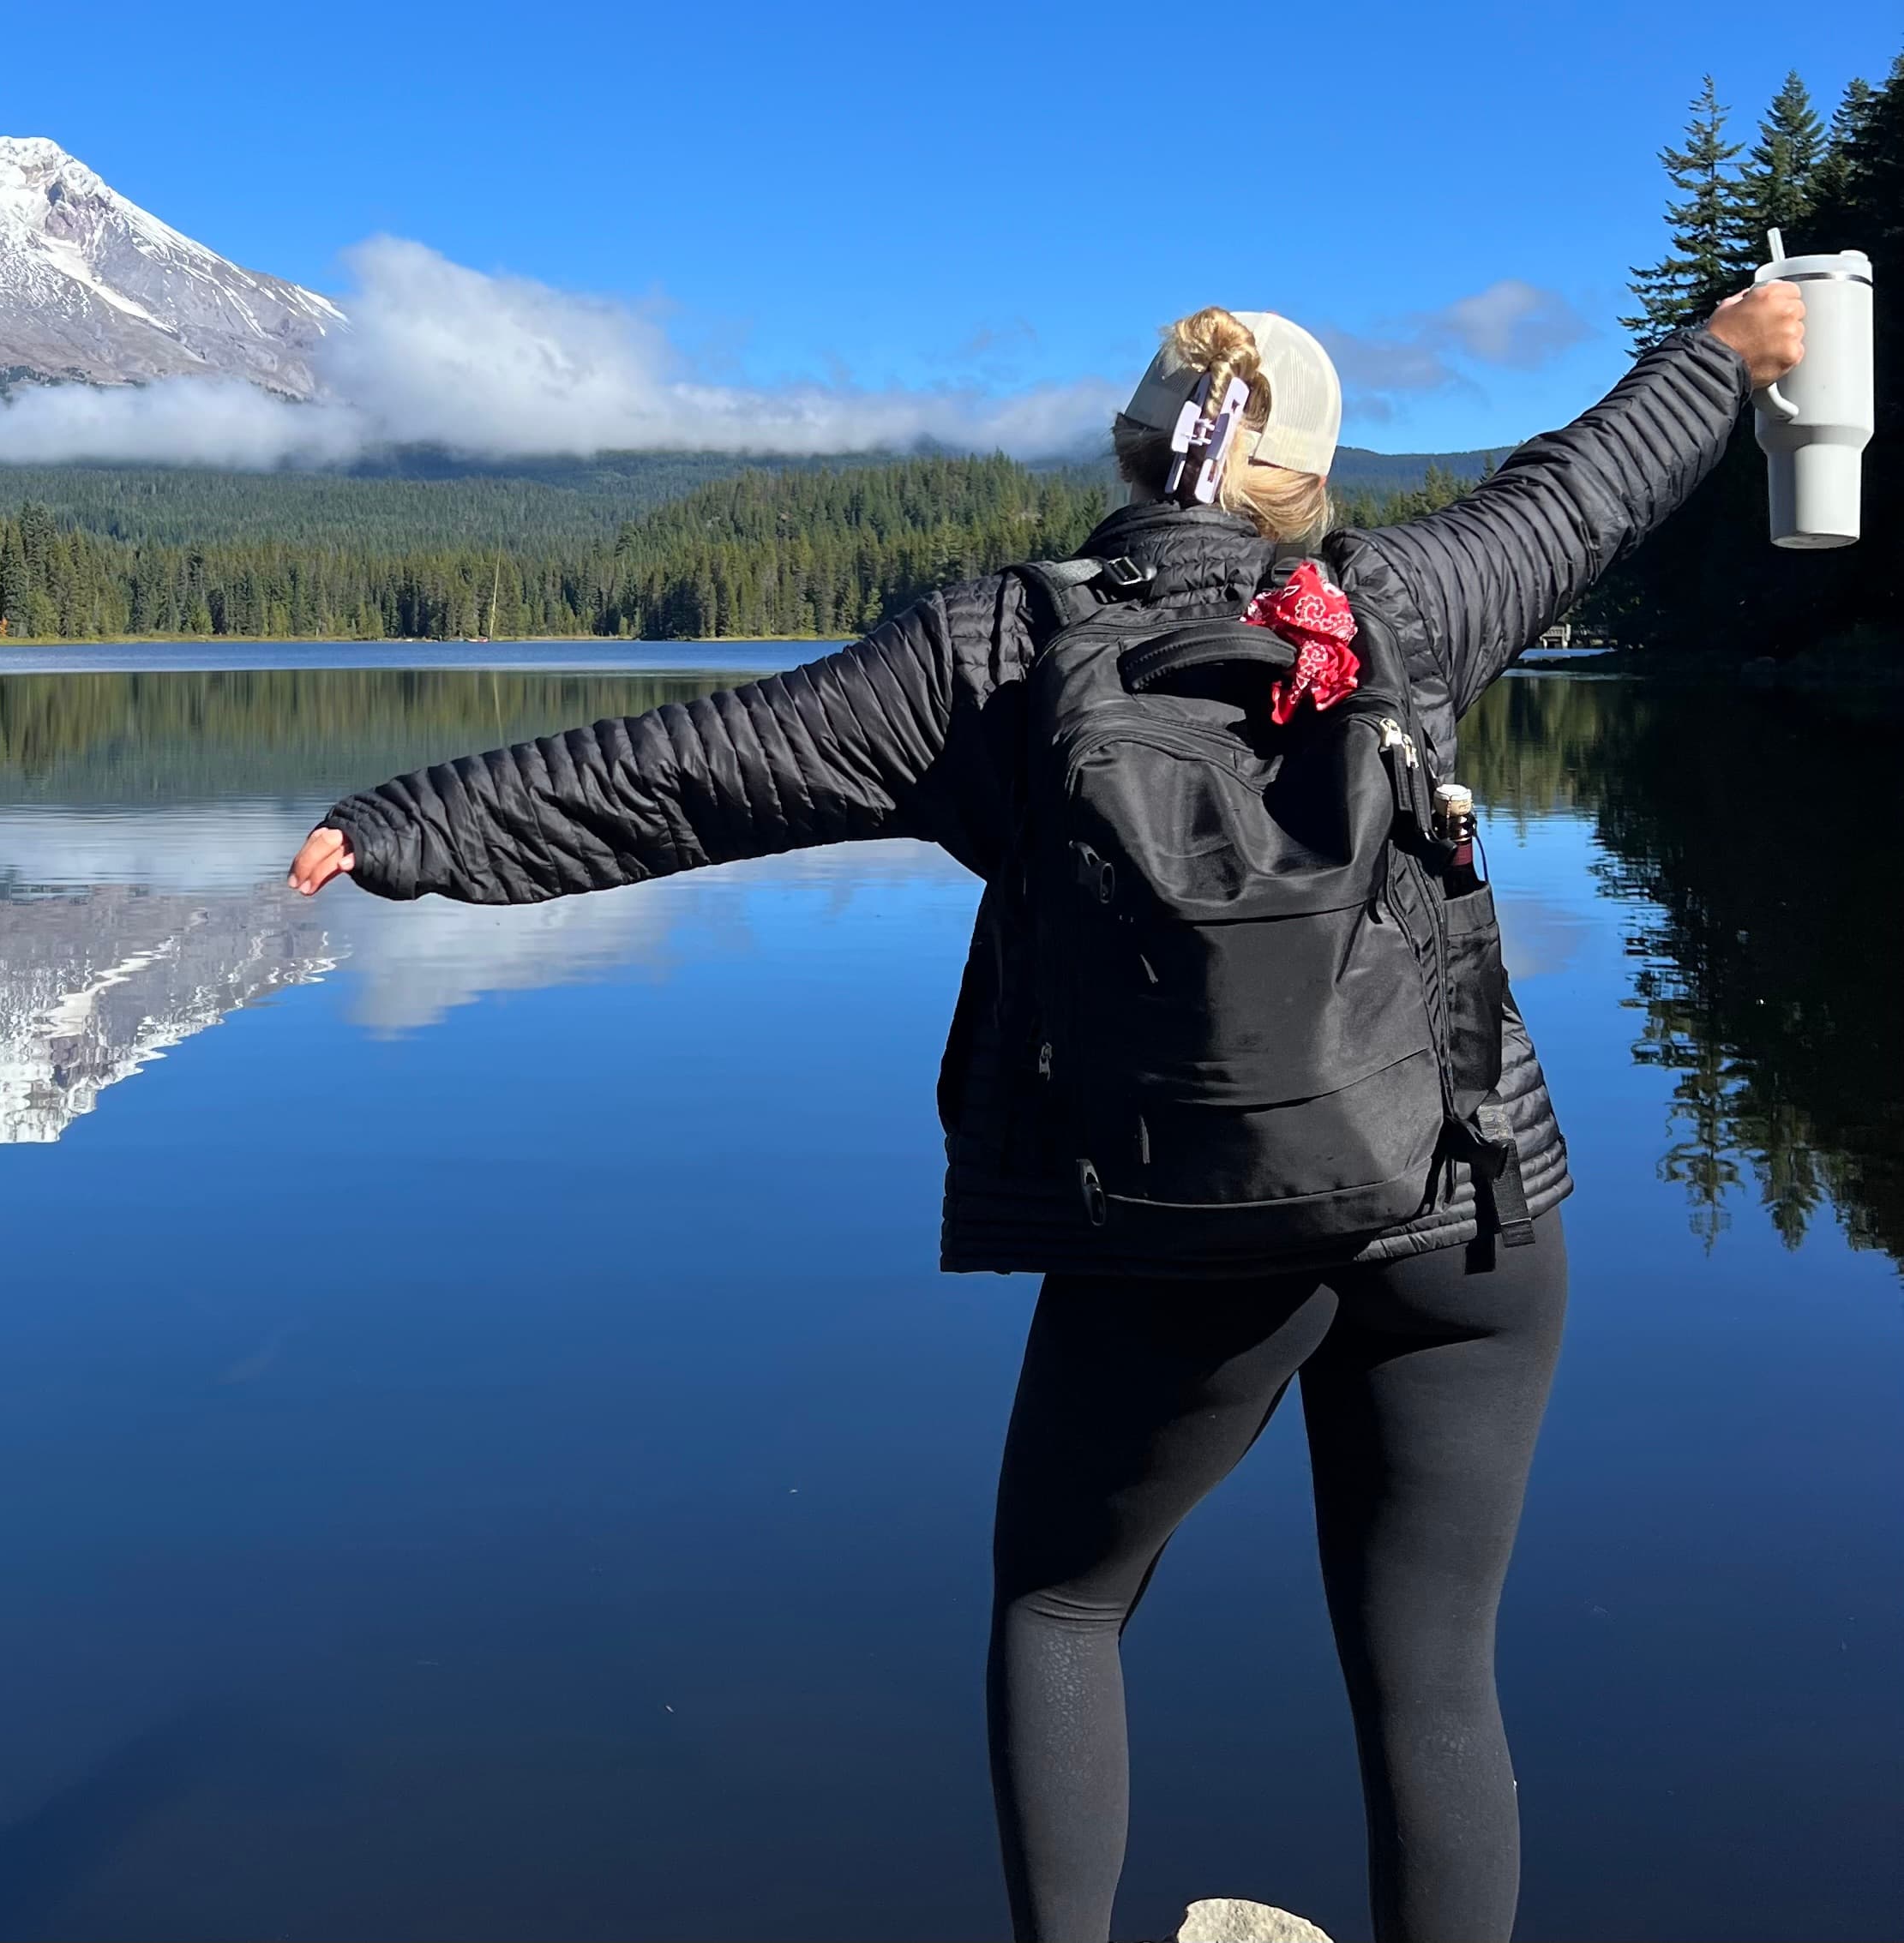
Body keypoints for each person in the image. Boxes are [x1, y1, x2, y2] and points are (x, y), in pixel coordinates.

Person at [287, 285, 1806, 1943]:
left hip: (1180, 1224)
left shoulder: (993, 652)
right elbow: (1589, 484)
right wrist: (1727, 356)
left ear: (1128, 449)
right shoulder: (1410, 603)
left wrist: (412, 822)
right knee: (1431, 1672)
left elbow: (695, 769)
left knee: (1064, 1604)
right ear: (1311, 478)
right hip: (1463, 1198)